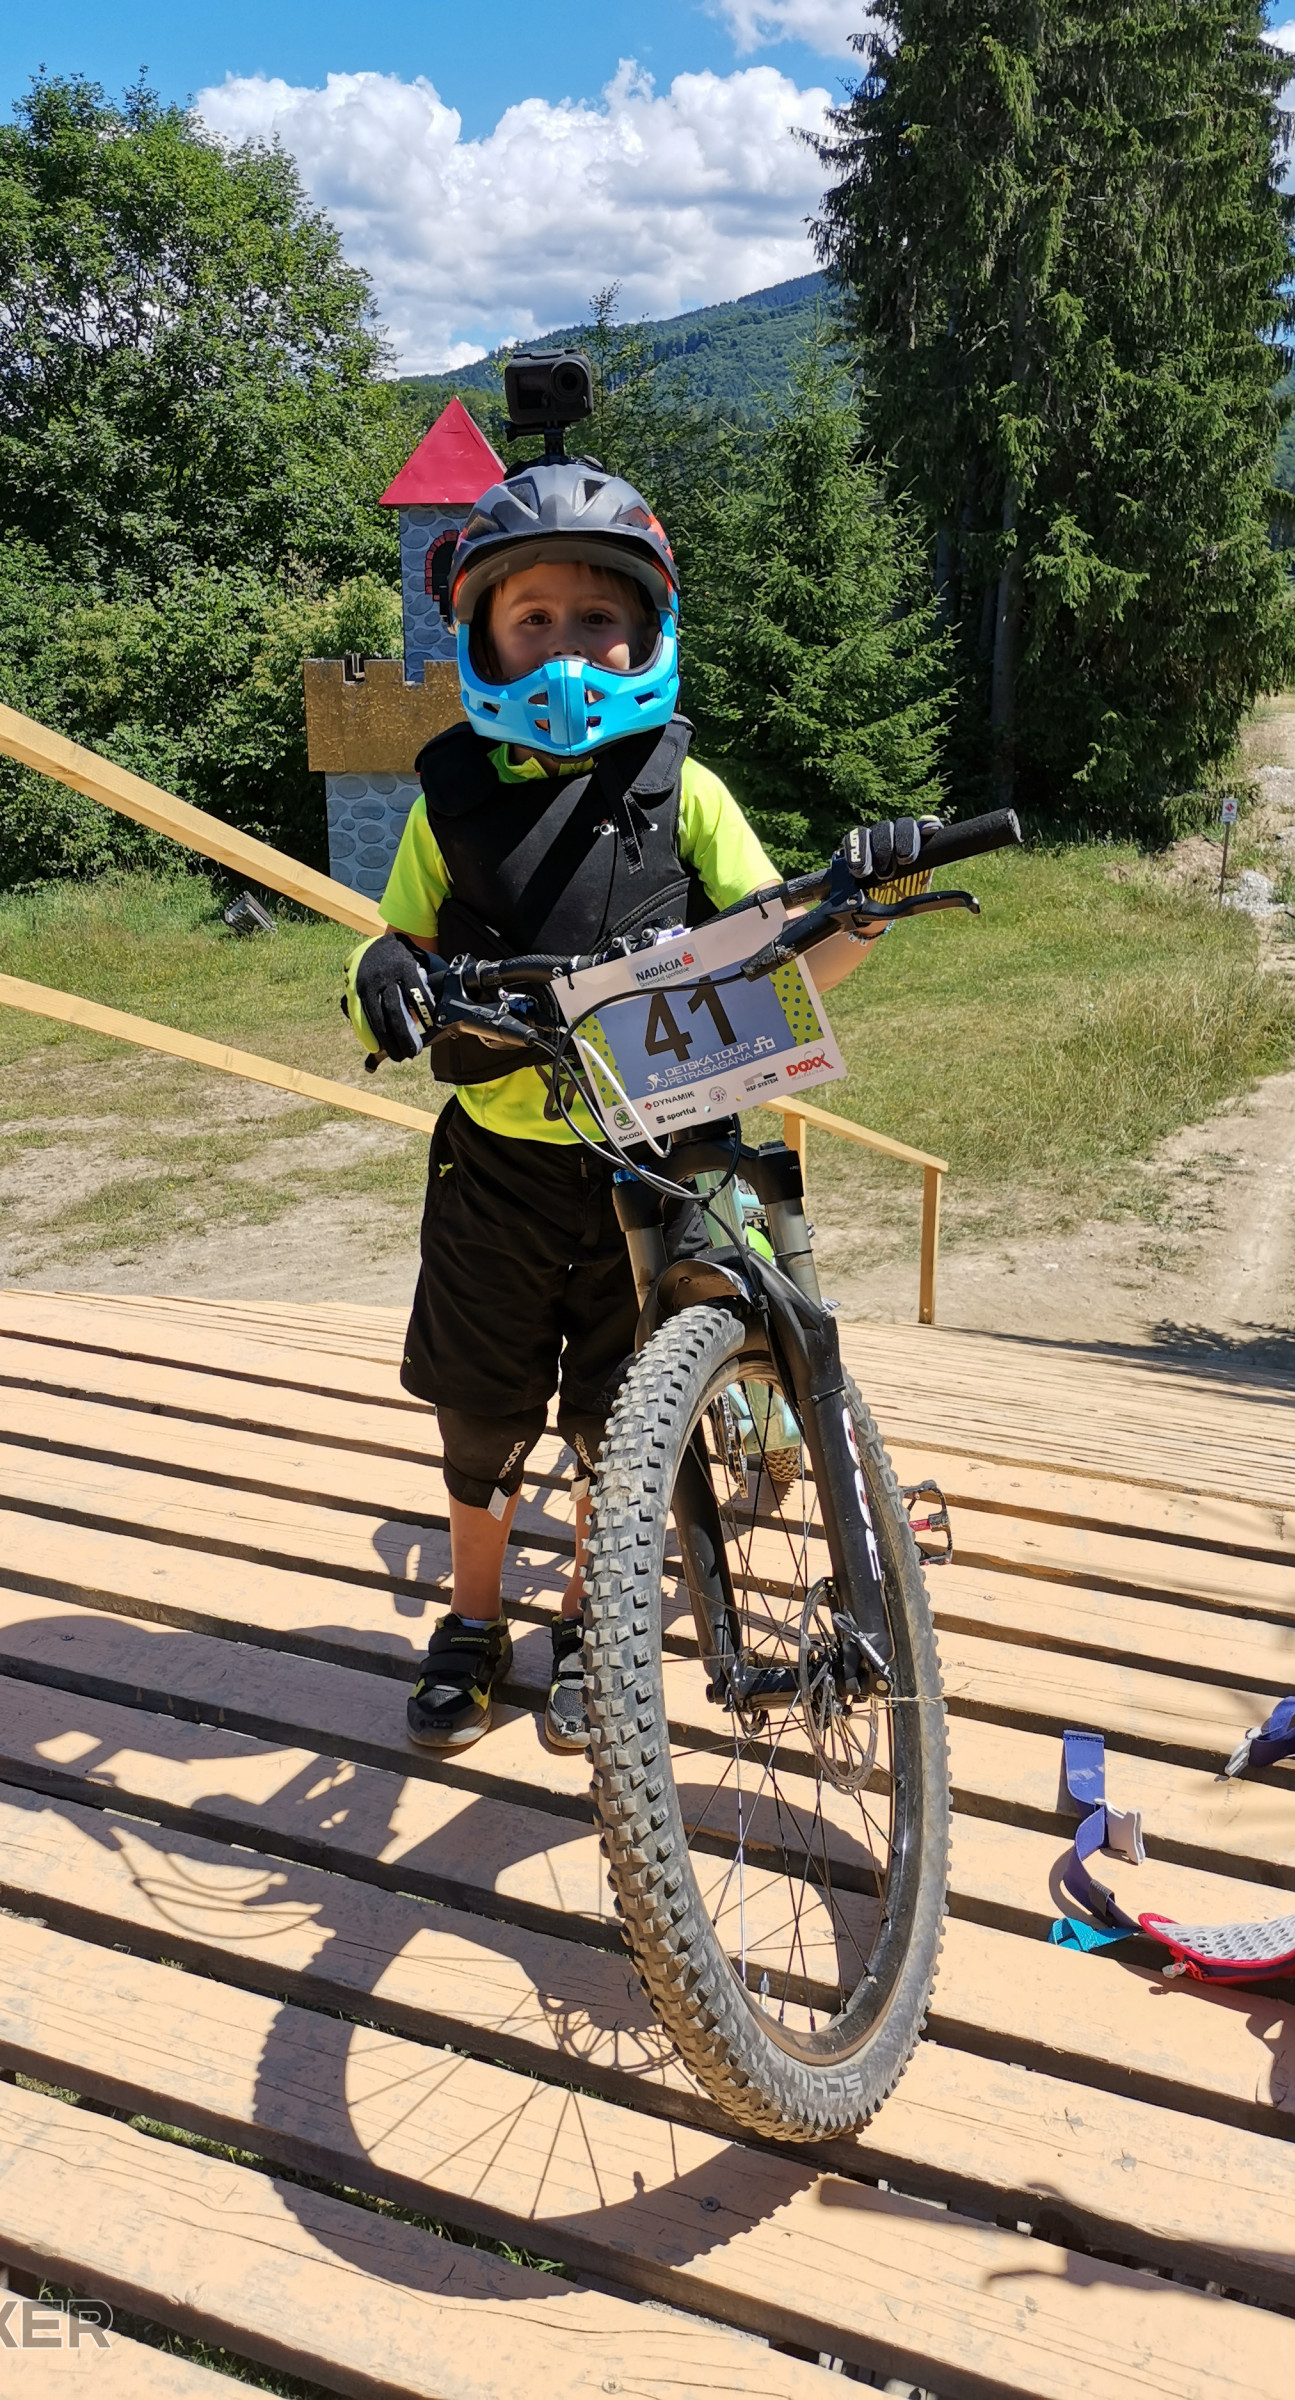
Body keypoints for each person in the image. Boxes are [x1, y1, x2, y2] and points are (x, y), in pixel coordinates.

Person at [344, 452, 920, 1755]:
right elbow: (399, 946)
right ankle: (474, 1621)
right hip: (495, 1167)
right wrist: (380, 973)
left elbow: (779, 959)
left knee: (626, 1417)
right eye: (533, 619)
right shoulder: (452, 801)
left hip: (650, 1167)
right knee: (481, 1412)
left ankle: (584, 1624)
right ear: (481, 634)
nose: (566, 651)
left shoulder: (685, 791)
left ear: (648, 628)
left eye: (596, 617)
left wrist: (860, 913)